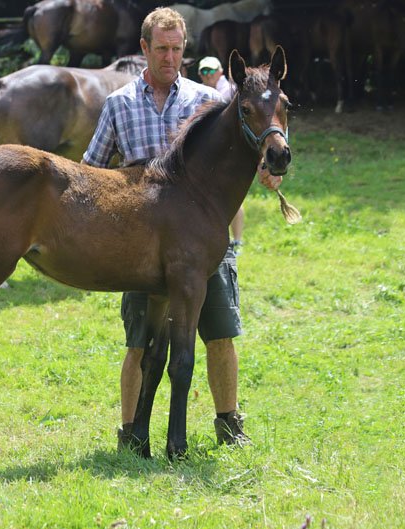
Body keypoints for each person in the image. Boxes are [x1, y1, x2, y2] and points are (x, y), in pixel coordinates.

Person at [82, 7, 281, 448]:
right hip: (141, 242)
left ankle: (228, 423)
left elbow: (250, 149)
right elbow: (91, 171)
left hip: (205, 238)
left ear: (184, 49)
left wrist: (269, 171)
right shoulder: (119, 103)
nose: (170, 57)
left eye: (176, 49)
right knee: (140, 342)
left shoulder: (206, 100)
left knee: (220, 334)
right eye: (161, 49)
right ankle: (131, 433)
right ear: (144, 48)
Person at [197, 56, 245, 251]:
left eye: (211, 70)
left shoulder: (231, 91)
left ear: (220, 72)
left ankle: (237, 241)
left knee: (232, 198)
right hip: (209, 152)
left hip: (229, 151)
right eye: (204, 71)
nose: (208, 75)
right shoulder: (199, 92)